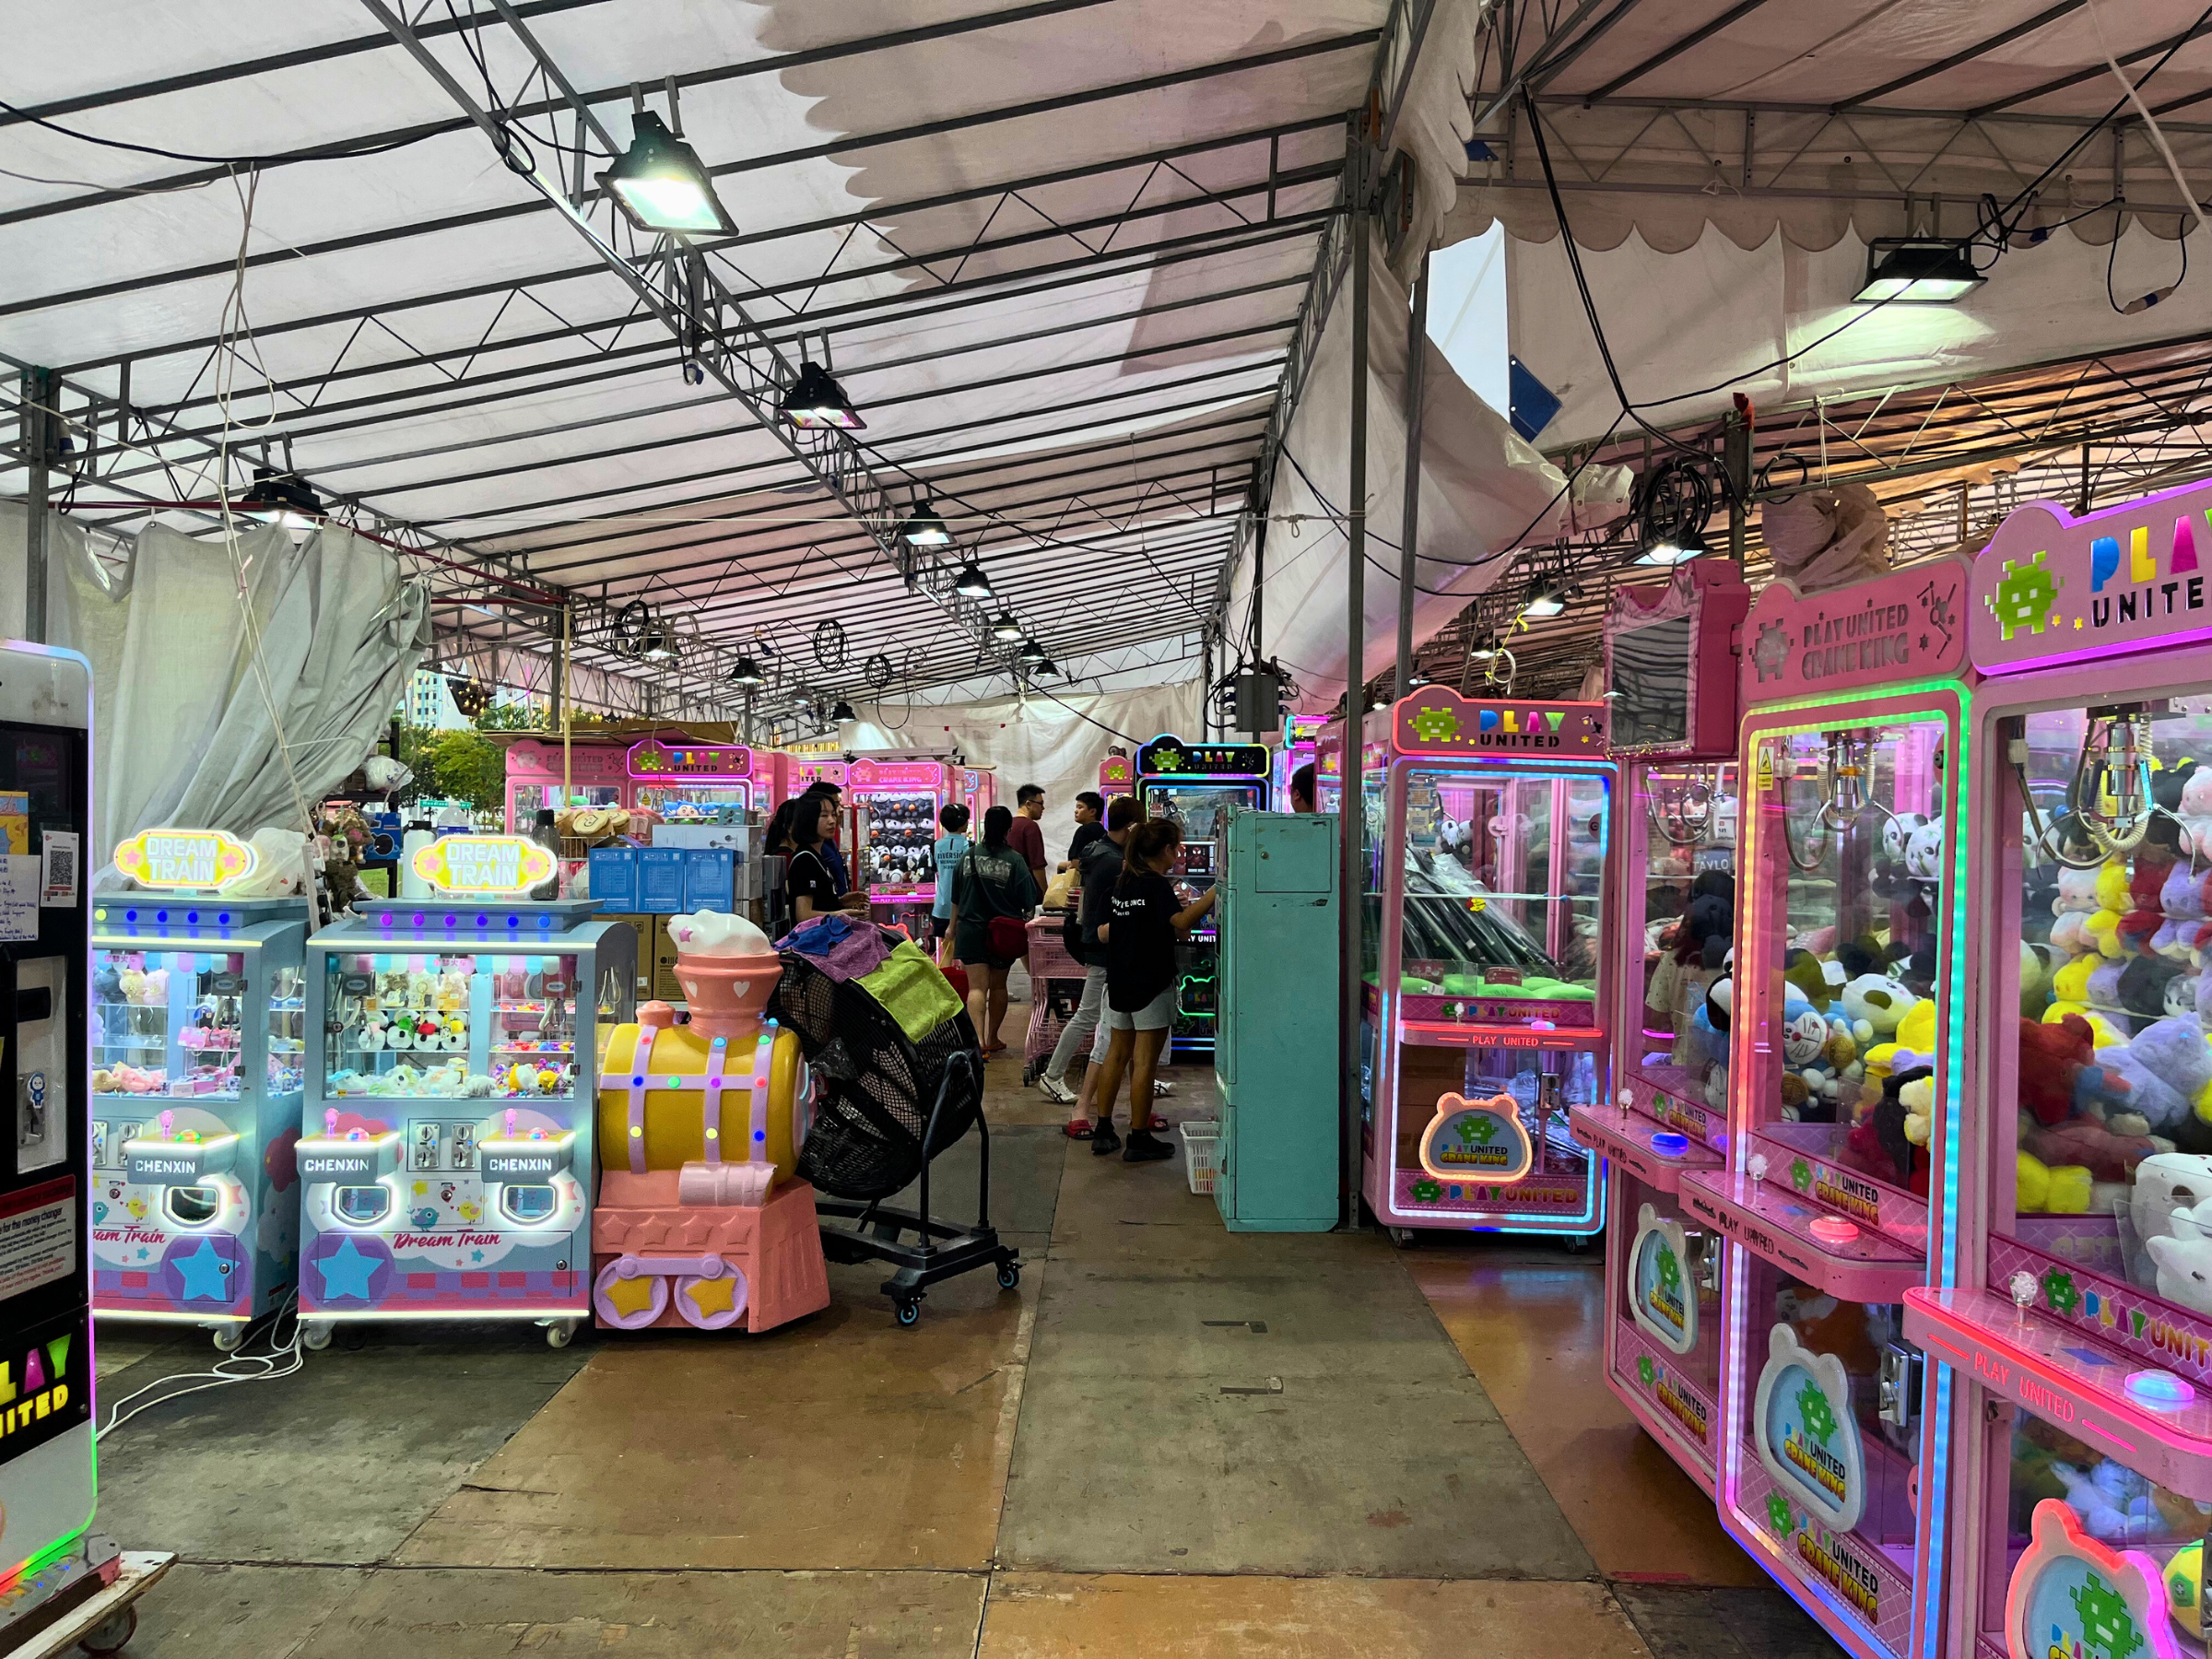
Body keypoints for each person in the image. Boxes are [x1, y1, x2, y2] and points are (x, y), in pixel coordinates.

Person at [1091, 818, 1214, 1161]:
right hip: (1151, 981)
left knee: (1116, 1054)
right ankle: (1139, 1136)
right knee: (1144, 1062)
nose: (1180, 852)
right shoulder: (1157, 887)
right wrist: (1218, 890)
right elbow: (1181, 925)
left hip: (1120, 979)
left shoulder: (1125, 882)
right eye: (1177, 846)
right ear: (1165, 850)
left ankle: (1103, 1128)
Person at [1039, 794, 1139, 1107]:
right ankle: (1052, 1076)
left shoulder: (1100, 852)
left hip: (1097, 944)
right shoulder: (1113, 862)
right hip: (1102, 947)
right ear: (1133, 826)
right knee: (1089, 1015)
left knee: (1118, 1017)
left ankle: (1141, 1076)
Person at [948, 804, 1040, 1054]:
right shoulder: (1015, 861)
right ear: (1008, 829)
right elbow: (1028, 898)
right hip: (1003, 934)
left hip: (970, 929)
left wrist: (951, 927)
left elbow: (955, 896)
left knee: (976, 988)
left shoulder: (968, 857)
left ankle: (977, 1042)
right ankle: (992, 1037)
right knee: (999, 987)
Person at [767, 794, 866, 928]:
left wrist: (840, 902)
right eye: (824, 816)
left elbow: (817, 903)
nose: (831, 821)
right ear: (808, 819)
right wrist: (840, 914)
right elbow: (803, 915)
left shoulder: (816, 855)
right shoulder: (805, 859)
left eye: (833, 814)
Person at [929, 802, 971, 947]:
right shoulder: (970, 847)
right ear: (962, 822)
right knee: (966, 953)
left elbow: (935, 870)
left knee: (947, 950)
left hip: (941, 906)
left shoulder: (935, 846)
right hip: (965, 907)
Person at [798, 781, 851, 891]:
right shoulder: (806, 856)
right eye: (825, 814)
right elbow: (804, 907)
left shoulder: (828, 841)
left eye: (832, 813)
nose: (840, 810)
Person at [1008, 782, 1048, 894]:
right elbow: (1037, 866)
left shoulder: (1009, 823)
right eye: (1040, 804)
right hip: (1025, 891)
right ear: (1029, 804)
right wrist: (1046, 893)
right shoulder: (1030, 826)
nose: (1043, 808)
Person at [1060, 792, 1106, 872]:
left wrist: (1062, 865)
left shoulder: (1083, 831)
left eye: (1080, 807)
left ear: (1092, 812)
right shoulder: (1102, 830)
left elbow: (1075, 863)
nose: (1076, 811)